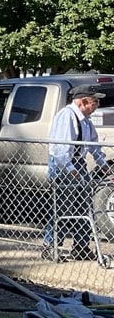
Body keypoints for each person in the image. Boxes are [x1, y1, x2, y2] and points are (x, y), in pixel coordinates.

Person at [42, 85, 111, 259]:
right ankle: (50, 247)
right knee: (62, 208)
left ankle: (81, 247)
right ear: (83, 101)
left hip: (78, 163)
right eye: (94, 101)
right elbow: (60, 147)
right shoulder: (67, 116)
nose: (97, 104)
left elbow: (93, 144)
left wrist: (102, 164)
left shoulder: (86, 119)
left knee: (84, 206)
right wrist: (70, 169)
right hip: (63, 164)